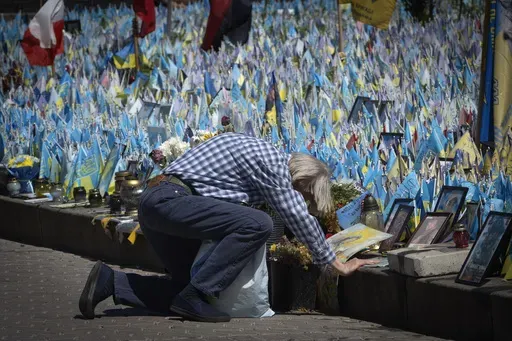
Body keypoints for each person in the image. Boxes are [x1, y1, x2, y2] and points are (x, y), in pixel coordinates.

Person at [79, 133, 377, 322]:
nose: (302, 200)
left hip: (159, 203)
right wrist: (333, 262)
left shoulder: (262, 162)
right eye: (306, 195)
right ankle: (196, 294)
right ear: (301, 181)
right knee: (257, 224)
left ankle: (111, 282)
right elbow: (296, 215)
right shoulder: (272, 162)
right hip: (169, 201)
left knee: (185, 287)